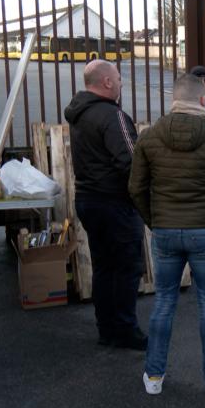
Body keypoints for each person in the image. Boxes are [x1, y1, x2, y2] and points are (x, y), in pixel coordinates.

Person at [129, 73, 205, 398]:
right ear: (202, 100)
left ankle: (154, 377)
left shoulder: (149, 138)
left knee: (163, 302)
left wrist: (155, 221)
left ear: (173, 99)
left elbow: (135, 188)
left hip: (165, 231)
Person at [64, 60, 147, 350]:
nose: (122, 84)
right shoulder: (113, 116)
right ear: (107, 82)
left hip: (89, 200)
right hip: (114, 203)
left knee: (104, 266)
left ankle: (107, 328)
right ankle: (125, 329)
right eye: (120, 79)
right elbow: (131, 162)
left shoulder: (79, 114)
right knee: (126, 267)